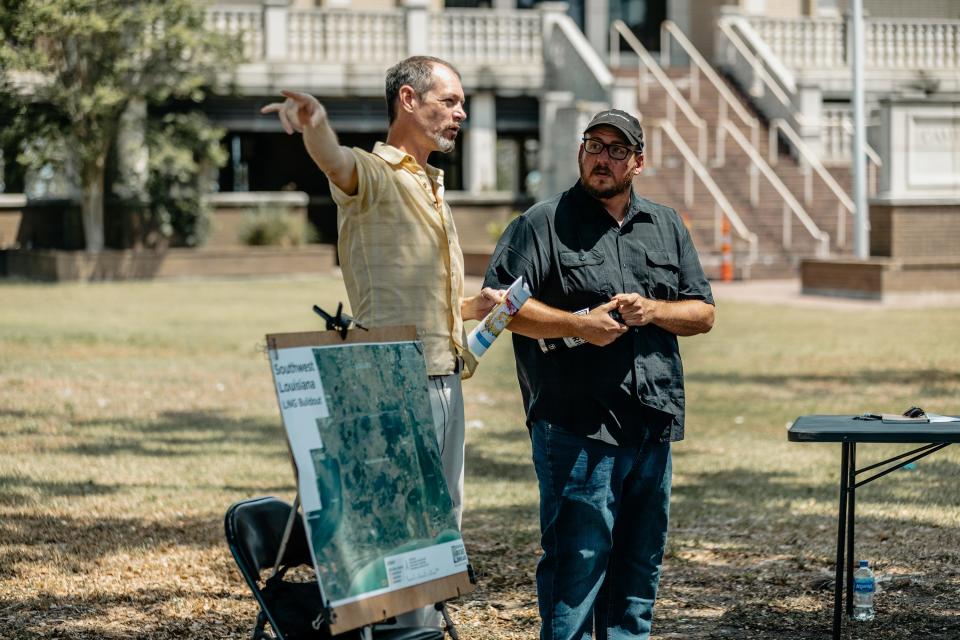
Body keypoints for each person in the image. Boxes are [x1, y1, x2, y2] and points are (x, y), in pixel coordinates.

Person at [261, 56, 500, 627]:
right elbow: (334, 161)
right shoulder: (372, 173)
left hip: (445, 374)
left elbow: (409, 293)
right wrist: (315, 122)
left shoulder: (433, 183)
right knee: (401, 528)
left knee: (441, 523)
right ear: (409, 101)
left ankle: (417, 629)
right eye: (450, 101)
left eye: (463, 103)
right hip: (392, 381)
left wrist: (472, 309)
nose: (461, 113)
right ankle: (406, 634)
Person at [482, 109, 715, 640]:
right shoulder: (542, 223)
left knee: (638, 573)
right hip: (576, 429)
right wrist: (577, 325)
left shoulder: (666, 225)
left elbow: (702, 313)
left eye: (616, 149)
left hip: (651, 425)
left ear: (638, 161)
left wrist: (653, 310)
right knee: (576, 571)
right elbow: (500, 308)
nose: (602, 157)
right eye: (594, 144)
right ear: (580, 152)